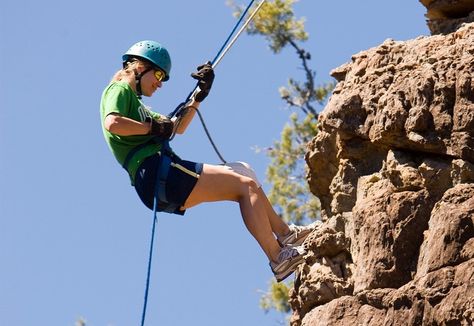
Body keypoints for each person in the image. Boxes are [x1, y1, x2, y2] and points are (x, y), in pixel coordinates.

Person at [100, 40, 318, 282]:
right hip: (154, 172)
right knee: (244, 186)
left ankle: (286, 235)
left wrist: (199, 93)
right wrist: (152, 127)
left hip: (160, 172)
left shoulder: (141, 108)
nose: (160, 82)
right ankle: (279, 257)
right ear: (140, 67)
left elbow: (176, 127)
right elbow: (114, 123)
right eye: (159, 74)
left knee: (243, 171)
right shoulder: (119, 90)